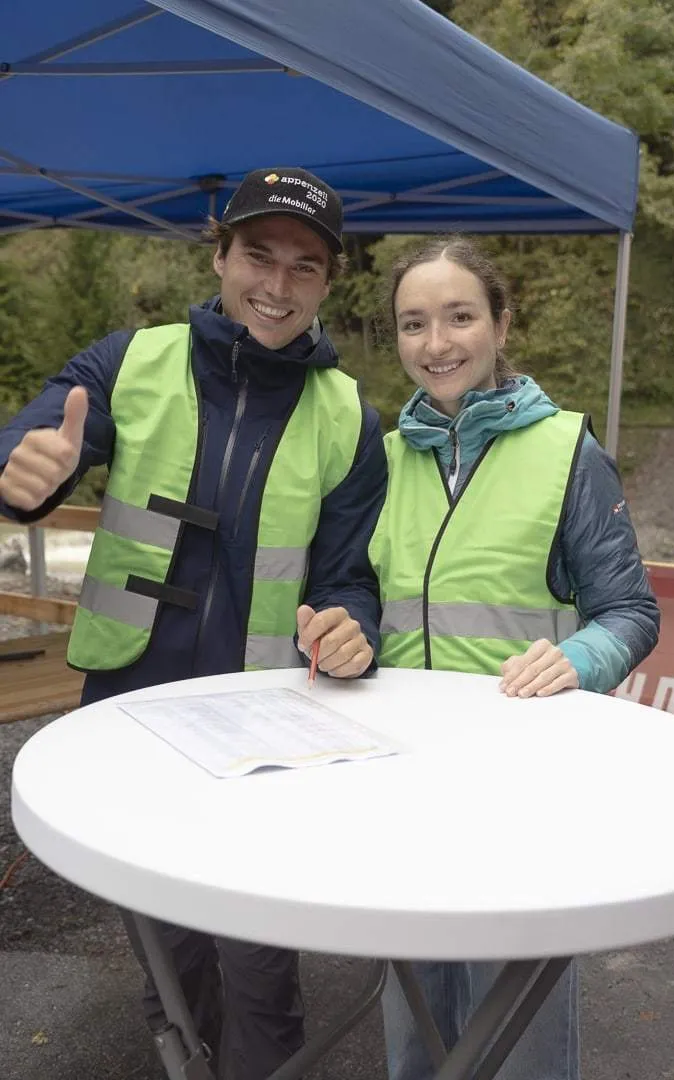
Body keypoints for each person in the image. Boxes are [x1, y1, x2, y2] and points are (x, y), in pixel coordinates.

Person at [0, 168, 387, 1080]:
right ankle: (188, 1057)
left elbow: (349, 578)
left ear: (328, 283)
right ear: (218, 255)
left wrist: (351, 624)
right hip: (129, 705)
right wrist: (24, 480)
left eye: (305, 267)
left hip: (269, 723)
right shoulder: (129, 360)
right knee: (165, 942)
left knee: (257, 951)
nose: (277, 286)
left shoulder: (350, 417)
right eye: (258, 256)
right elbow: (38, 444)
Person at [368, 237, 660, 1080]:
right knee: (416, 1024)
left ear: (500, 322)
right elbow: (362, 599)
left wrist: (579, 659)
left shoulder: (568, 450)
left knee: (519, 1037)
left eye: (460, 316)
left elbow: (630, 610)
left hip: (525, 791)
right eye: (414, 323)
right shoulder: (387, 457)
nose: (437, 342)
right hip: (401, 789)